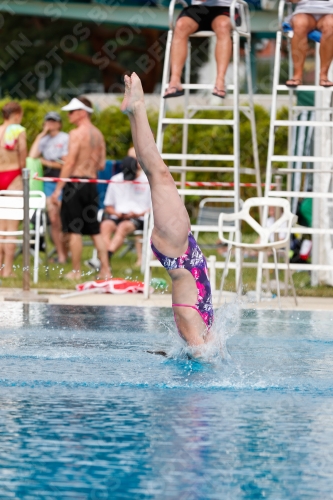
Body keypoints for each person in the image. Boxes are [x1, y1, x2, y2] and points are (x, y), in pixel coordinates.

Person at [122, 73, 214, 348]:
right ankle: (133, 110)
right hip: (181, 248)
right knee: (157, 174)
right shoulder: (200, 329)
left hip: (178, 251)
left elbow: (198, 349)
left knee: (158, 173)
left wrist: (200, 351)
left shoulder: (189, 323)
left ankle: (137, 109)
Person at [51, 97, 111, 280]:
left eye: (71, 112)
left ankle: (76, 272)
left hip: (75, 183)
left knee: (73, 230)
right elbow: (101, 165)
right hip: (92, 184)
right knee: (95, 230)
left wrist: (58, 189)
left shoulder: (76, 134)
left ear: (82, 113)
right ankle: (106, 270)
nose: (68, 115)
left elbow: (69, 162)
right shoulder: (98, 134)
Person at [164, 0, 241, 99]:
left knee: (223, 25)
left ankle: (220, 80)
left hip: (227, 7)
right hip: (199, 9)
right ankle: (175, 80)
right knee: (181, 25)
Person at [29, 112, 69, 264]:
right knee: (54, 219)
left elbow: (65, 164)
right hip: (47, 182)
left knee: (64, 219)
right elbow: (32, 155)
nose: (51, 124)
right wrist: (42, 133)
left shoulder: (65, 138)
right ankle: (61, 255)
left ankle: (65, 252)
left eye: (54, 121)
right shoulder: (44, 139)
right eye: (48, 121)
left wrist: (46, 162)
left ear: (59, 123)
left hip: (61, 180)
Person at [99, 152, 151, 268]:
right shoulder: (115, 180)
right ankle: (106, 260)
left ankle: (105, 258)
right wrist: (116, 213)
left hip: (138, 218)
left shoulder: (147, 181)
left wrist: (137, 214)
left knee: (123, 227)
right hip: (117, 216)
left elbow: (151, 208)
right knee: (105, 226)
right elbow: (108, 206)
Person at [0, 102, 27, 277]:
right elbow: (23, 158)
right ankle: (8, 269)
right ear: (16, 114)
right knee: (12, 227)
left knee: (0, 228)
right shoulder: (18, 130)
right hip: (13, 176)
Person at [286, 0, 333, 87]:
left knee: (331, 25)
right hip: (303, 11)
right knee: (299, 25)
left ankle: (324, 76)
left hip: (330, 11)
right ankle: (297, 76)